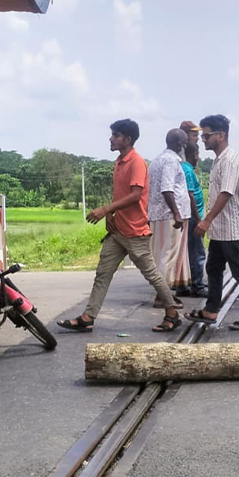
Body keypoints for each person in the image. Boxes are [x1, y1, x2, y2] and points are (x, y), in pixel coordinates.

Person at [57, 119, 181, 334]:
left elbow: (135, 196)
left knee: (151, 274)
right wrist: (111, 214)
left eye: (115, 135)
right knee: (103, 273)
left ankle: (172, 313)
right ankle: (88, 317)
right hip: (117, 231)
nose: (111, 139)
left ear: (128, 139)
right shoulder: (120, 161)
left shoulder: (136, 163)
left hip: (135, 231)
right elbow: (123, 195)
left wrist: (105, 209)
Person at [187, 114, 239, 331]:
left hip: (231, 229)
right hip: (221, 230)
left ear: (221, 135)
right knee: (214, 268)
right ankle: (211, 310)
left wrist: (207, 220)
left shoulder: (229, 160)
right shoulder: (220, 159)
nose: (203, 139)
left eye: (207, 135)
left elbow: (225, 192)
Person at [148, 129, 190, 303]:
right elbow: (167, 188)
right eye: (185, 144)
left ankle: (163, 292)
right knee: (168, 255)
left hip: (158, 215)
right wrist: (177, 213)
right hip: (170, 216)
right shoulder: (171, 161)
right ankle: (162, 296)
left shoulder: (156, 160)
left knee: (160, 254)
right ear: (180, 145)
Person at [179, 120, 207, 298]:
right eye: (194, 135)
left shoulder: (184, 162)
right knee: (196, 252)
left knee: (187, 251)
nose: (197, 138)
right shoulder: (183, 163)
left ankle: (185, 283)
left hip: (186, 215)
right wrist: (199, 219)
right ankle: (197, 285)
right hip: (191, 215)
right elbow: (189, 195)